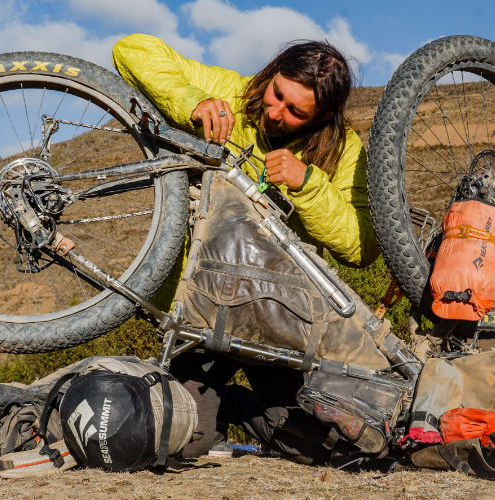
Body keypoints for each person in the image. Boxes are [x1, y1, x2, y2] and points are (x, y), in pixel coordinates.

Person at [112, 34, 380, 464]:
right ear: (272, 73)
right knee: (183, 445)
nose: (275, 113)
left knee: (325, 448)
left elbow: (361, 246)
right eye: (277, 94)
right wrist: (194, 102)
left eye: (295, 111)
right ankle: (202, 408)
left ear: (324, 115)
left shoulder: (347, 151)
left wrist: (308, 184)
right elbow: (131, 49)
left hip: (277, 319)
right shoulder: (234, 93)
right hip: (205, 309)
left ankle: (233, 406)